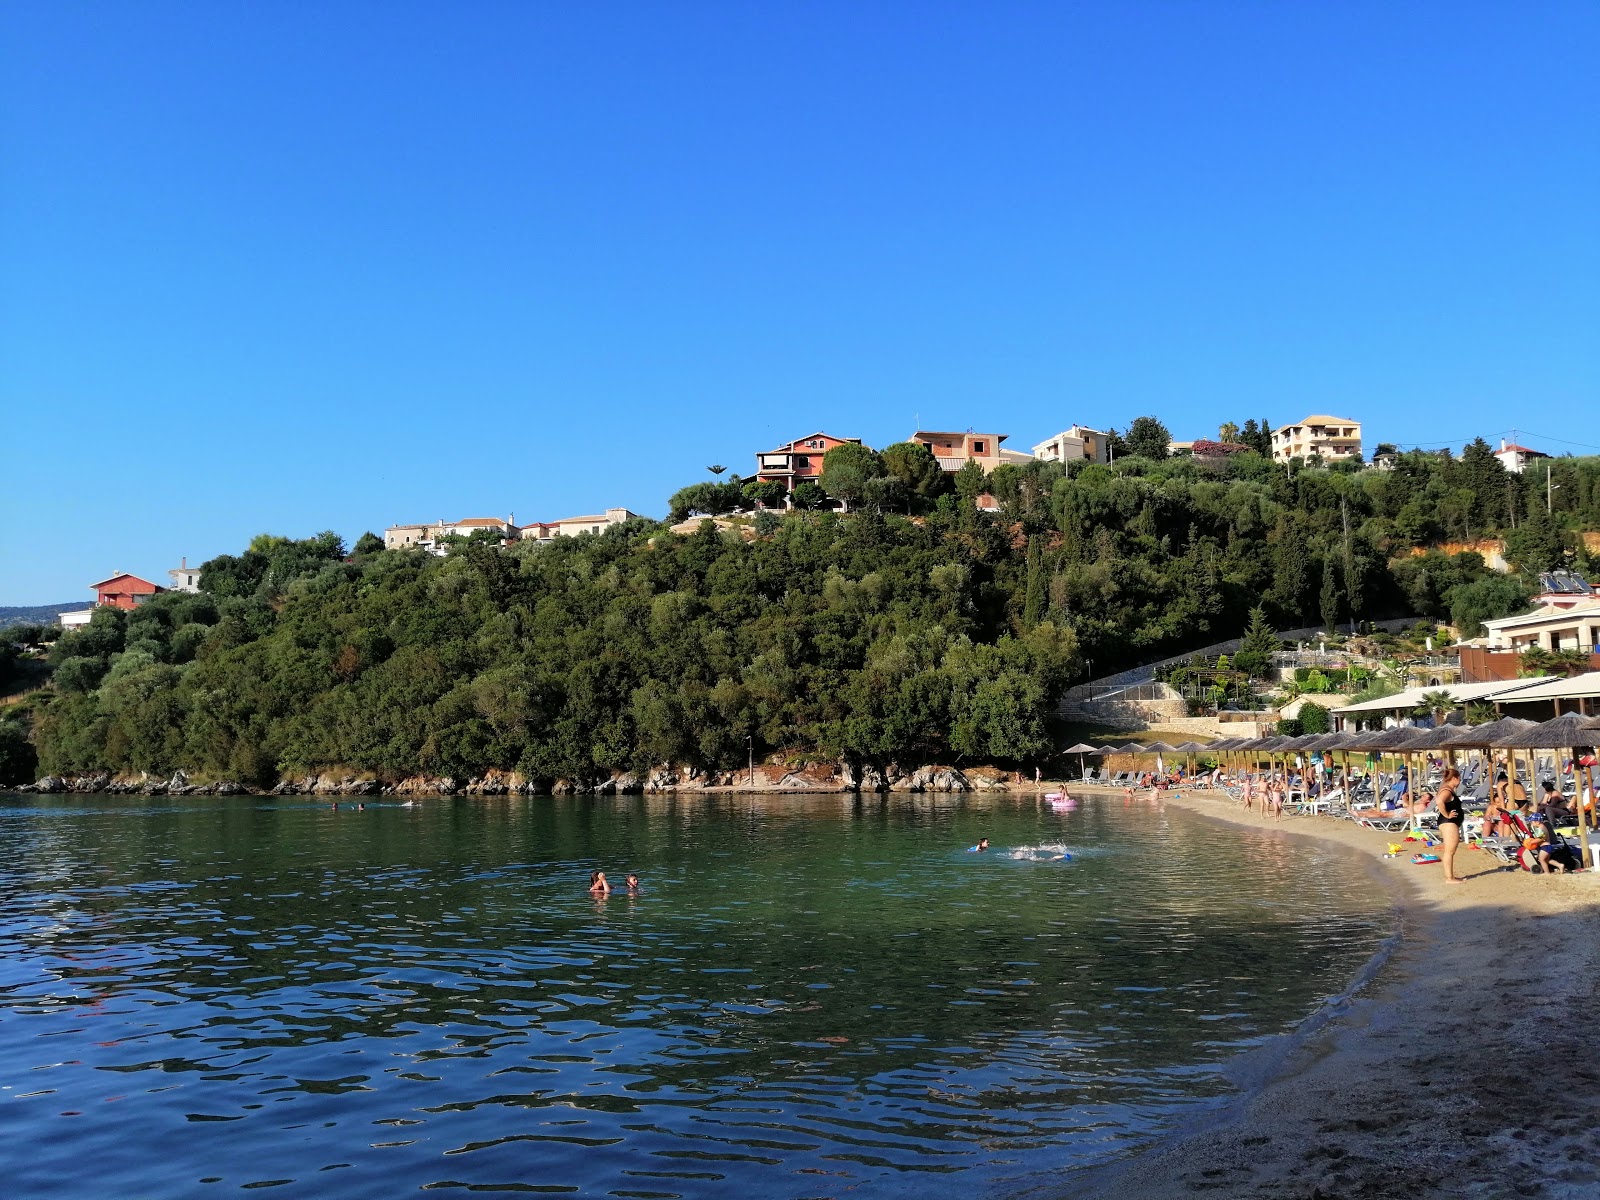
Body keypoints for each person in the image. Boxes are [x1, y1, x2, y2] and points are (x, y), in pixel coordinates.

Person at [1436, 766, 1466, 884]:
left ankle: (1450, 877)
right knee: (1449, 851)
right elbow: (1439, 801)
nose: (1459, 782)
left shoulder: (1447, 789)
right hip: (1448, 823)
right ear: (1455, 778)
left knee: (1450, 851)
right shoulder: (1447, 790)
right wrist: (1447, 814)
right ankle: (1449, 878)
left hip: (1449, 823)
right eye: (1459, 779)